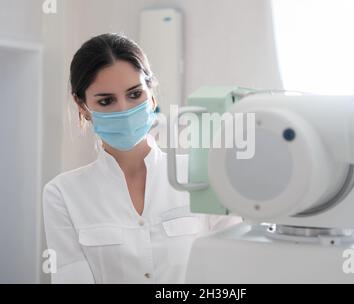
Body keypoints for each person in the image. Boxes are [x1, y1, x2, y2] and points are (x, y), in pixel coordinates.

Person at [42, 33, 242, 284]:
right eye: (106, 101)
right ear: (82, 106)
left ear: (152, 94)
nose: (124, 110)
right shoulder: (63, 195)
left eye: (135, 94)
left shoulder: (204, 176)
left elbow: (235, 268)